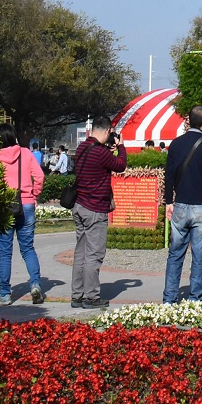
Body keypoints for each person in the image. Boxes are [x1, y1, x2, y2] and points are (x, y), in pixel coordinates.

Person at [163, 106, 202, 304]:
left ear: (188, 120)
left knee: (175, 252)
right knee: (199, 252)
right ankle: (195, 297)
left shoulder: (176, 144)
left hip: (180, 204)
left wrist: (169, 201)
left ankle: (169, 298)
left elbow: (168, 175)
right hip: (200, 205)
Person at [71, 116, 127, 309]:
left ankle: (77, 295)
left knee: (80, 252)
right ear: (106, 131)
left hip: (79, 205)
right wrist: (120, 147)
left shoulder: (81, 148)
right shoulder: (101, 153)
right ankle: (91, 297)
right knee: (94, 254)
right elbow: (120, 165)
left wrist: (108, 149)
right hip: (95, 208)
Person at [0, 122, 46, 306]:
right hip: (27, 204)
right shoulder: (26, 153)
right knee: (28, 248)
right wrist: (34, 194)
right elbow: (39, 176)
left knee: (5, 253)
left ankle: (5, 294)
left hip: (5, 206)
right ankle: (36, 285)